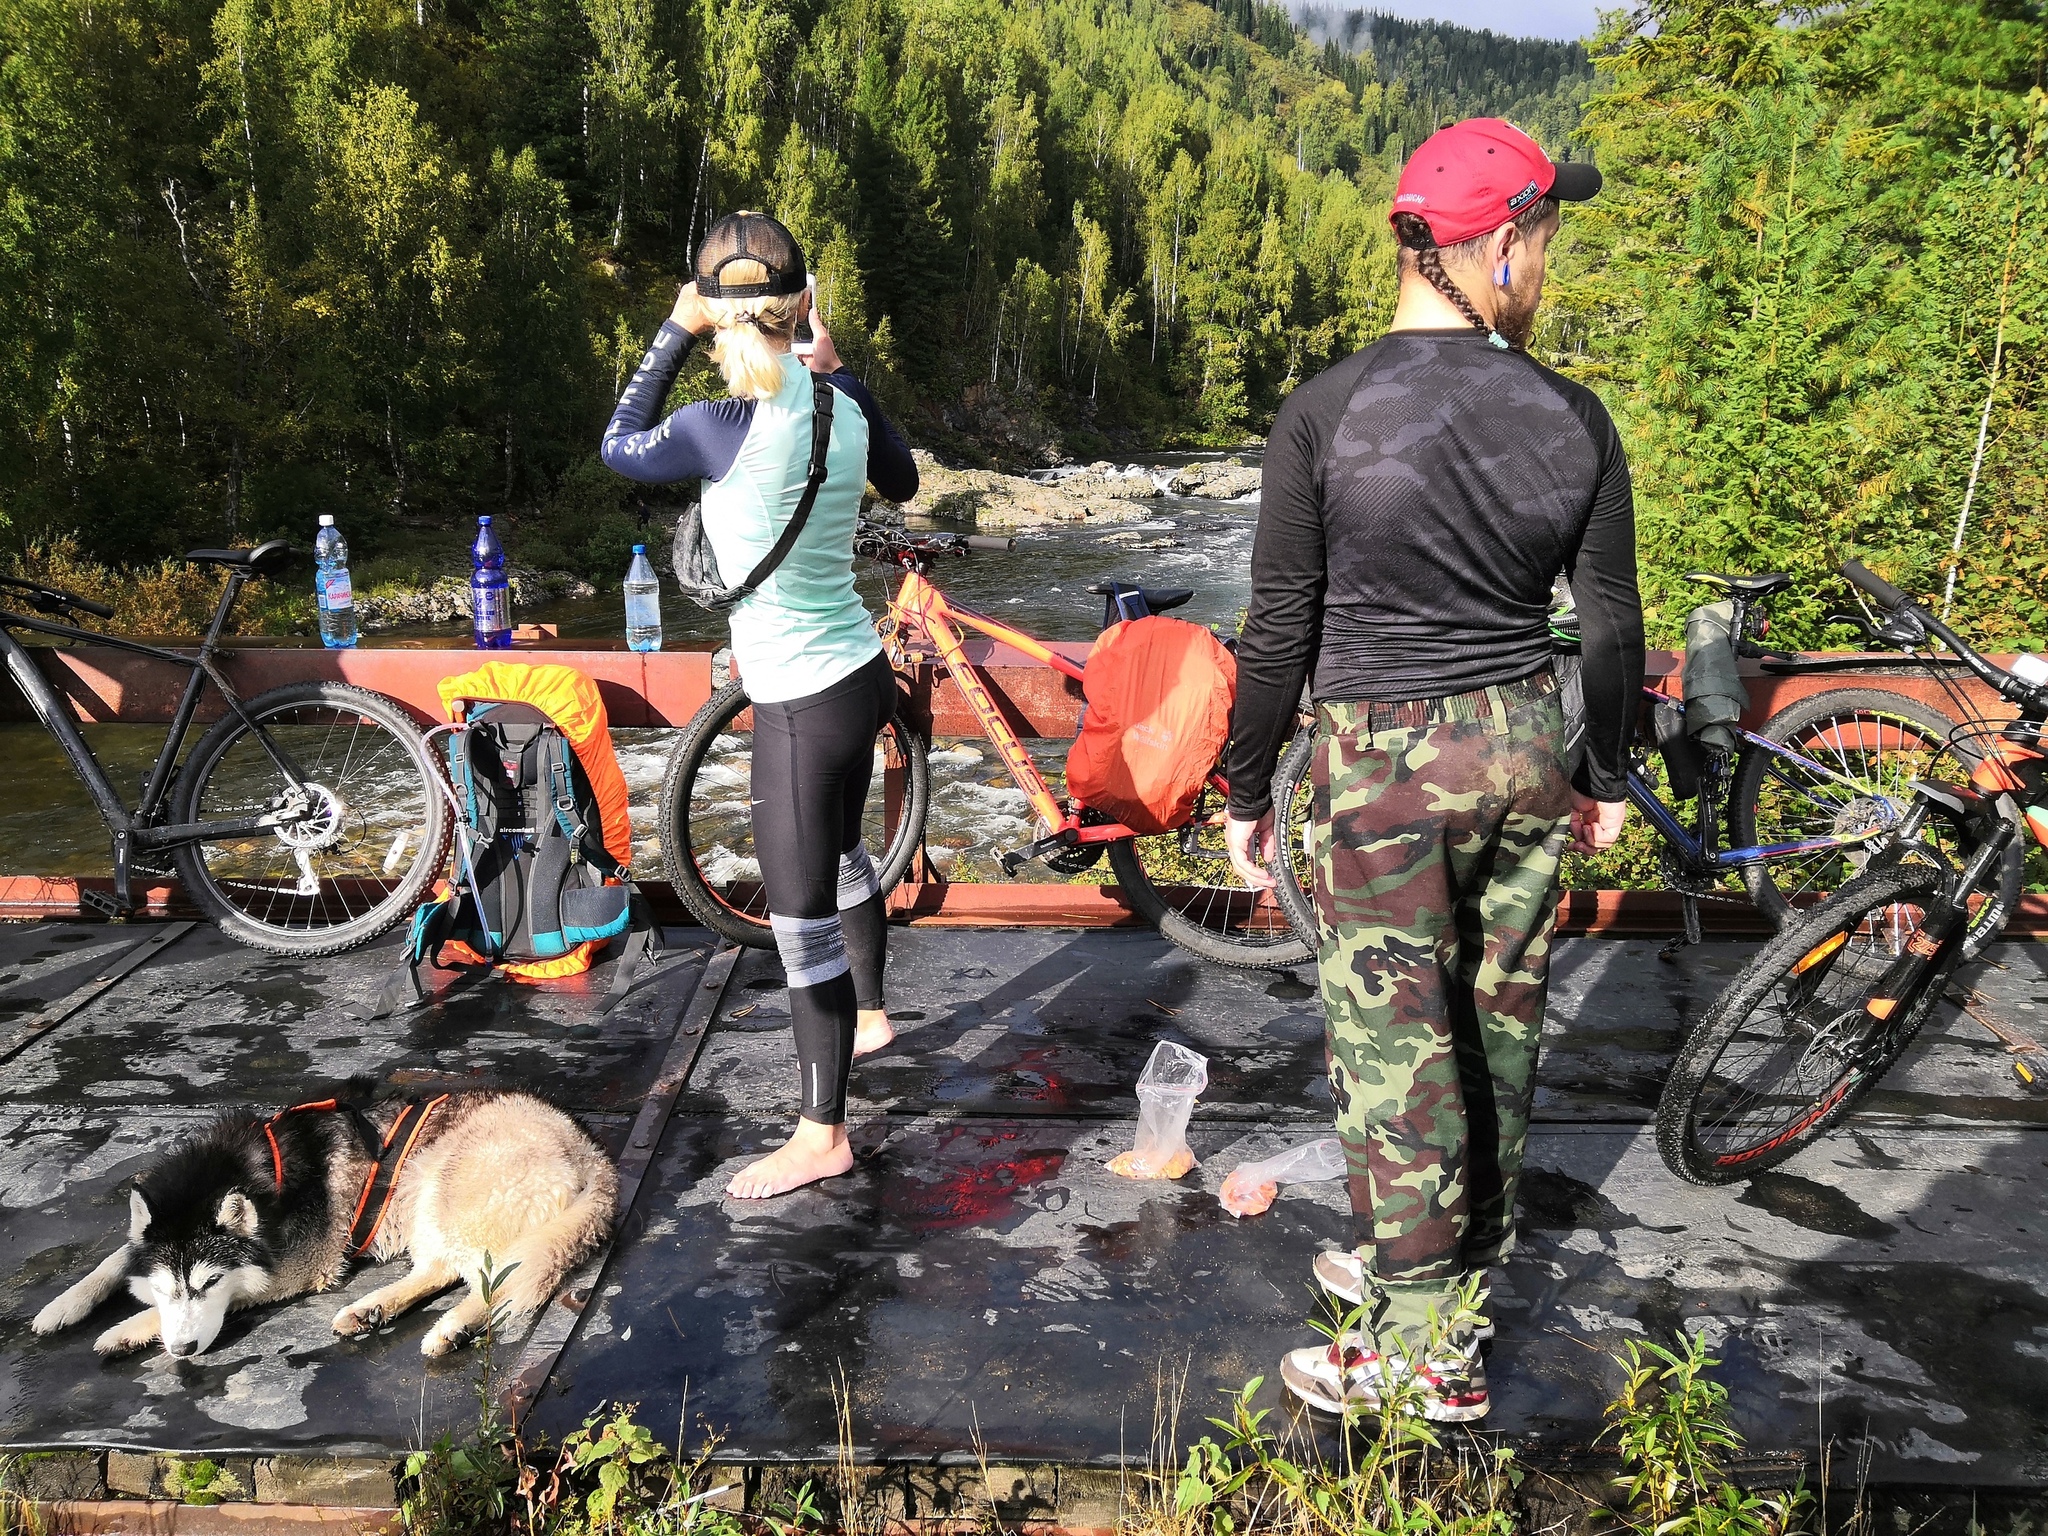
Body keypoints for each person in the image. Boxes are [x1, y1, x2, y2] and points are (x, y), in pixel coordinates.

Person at [1222, 120, 1643, 1421]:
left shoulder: (1326, 412)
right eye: (1546, 239)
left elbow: (1280, 625)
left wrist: (1244, 791)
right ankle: (1452, 1284)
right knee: (1496, 1027)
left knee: (1394, 1050)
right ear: (1500, 243)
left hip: (1381, 762)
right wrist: (1606, 771)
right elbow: (1613, 621)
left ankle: (1418, 1353)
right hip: (1521, 739)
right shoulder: (1573, 416)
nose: (1549, 262)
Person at [602, 211, 919, 1199]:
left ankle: (821, 1133)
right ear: (801, 310)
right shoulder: (846, 406)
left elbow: (618, 446)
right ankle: (869, 1016)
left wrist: (670, 329)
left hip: (793, 698)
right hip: (856, 672)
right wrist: (837, 363)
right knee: (843, 853)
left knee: (797, 923)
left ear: (726, 322)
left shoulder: (714, 427)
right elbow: (902, 484)